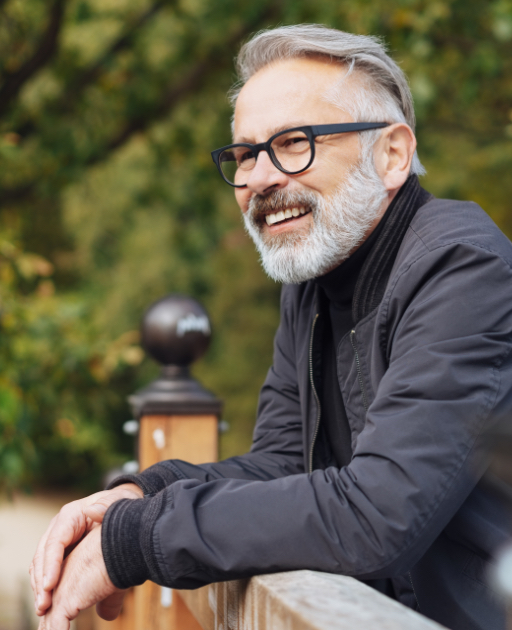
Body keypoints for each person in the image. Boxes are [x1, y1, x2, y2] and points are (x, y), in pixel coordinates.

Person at [30, 24, 512, 630]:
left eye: (293, 143)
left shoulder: (464, 268)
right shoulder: (311, 283)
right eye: (245, 154)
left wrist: (136, 542)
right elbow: (282, 466)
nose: (259, 179)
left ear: (391, 154)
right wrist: (141, 494)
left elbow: (378, 513)